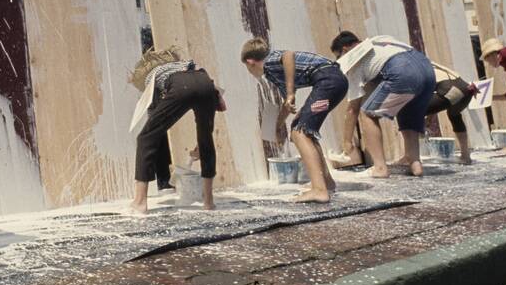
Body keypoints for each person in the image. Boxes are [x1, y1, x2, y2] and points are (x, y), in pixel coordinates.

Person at [241, 39, 347, 202]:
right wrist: (277, 126)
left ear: (250, 62)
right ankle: (326, 183)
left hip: (327, 80)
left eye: (246, 68)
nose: (249, 71)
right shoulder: (275, 75)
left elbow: (288, 55)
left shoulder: (270, 62)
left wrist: (291, 93)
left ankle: (319, 190)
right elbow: (287, 104)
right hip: (334, 81)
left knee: (299, 132)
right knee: (303, 128)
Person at [329, 33, 436, 178]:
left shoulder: (354, 60)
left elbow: (352, 109)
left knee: (368, 113)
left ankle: (380, 168)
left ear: (346, 49)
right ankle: (415, 163)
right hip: (427, 70)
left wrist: (347, 143)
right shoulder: (380, 39)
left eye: (338, 56)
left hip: (402, 71)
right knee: (408, 114)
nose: (339, 60)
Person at [126, 50, 221, 215]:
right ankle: (208, 202)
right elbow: (215, 93)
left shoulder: (152, 77)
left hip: (180, 86)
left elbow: (154, 121)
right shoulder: (184, 64)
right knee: (206, 140)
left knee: (145, 138)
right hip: (206, 82)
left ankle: (139, 202)